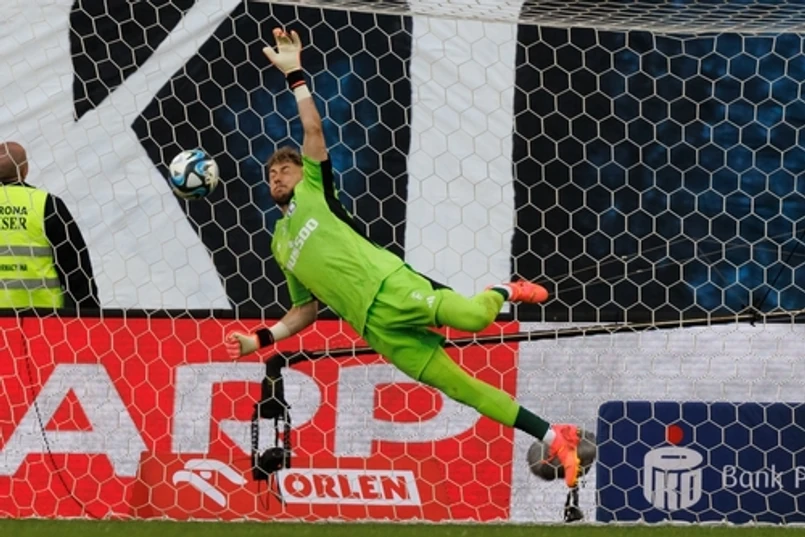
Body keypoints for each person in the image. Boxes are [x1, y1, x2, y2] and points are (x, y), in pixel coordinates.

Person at [226, 29, 582, 487]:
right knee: (463, 390)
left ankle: (503, 289)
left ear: (302, 173)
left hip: (391, 287)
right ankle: (556, 437)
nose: (277, 176)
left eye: (285, 169)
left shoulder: (316, 190)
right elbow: (304, 310)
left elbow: (313, 130)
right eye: (272, 173)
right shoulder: (279, 243)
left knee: (475, 318)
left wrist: (295, 74)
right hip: (376, 329)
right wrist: (259, 339)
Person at [0, 141, 99, 311]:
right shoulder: (46, 204)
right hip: (42, 317)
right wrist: (90, 312)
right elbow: (75, 266)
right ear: (25, 170)